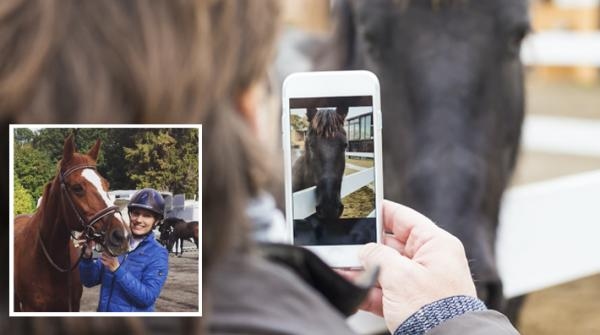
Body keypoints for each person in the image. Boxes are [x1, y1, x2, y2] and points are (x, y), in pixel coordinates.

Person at [0, 0, 518, 334]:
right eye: (135, 215)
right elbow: (107, 283)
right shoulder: (292, 322)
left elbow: (122, 287)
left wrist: (98, 263)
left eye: (141, 215)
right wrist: (452, 320)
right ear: (250, 108)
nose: (135, 221)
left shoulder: (148, 257)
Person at [78, 188, 169, 312]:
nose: (139, 220)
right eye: (136, 213)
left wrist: (117, 270)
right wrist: (87, 258)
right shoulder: (116, 242)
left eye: (147, 216)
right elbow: (89, 281)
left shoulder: (158, 253)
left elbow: (147, 298)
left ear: (156, 221)